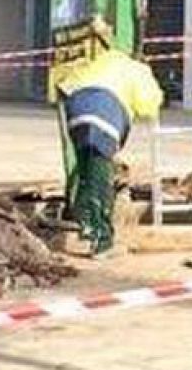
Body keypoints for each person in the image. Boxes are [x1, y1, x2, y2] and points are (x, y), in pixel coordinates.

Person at [53, 37, 164, 258]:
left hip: (76, 111)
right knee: (100, 180)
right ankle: (102, 242)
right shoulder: (138, 69)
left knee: (86, 172)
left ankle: (86, 226)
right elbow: (148, 106)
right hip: (104, 112)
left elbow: (64, 86)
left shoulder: (102, 61)